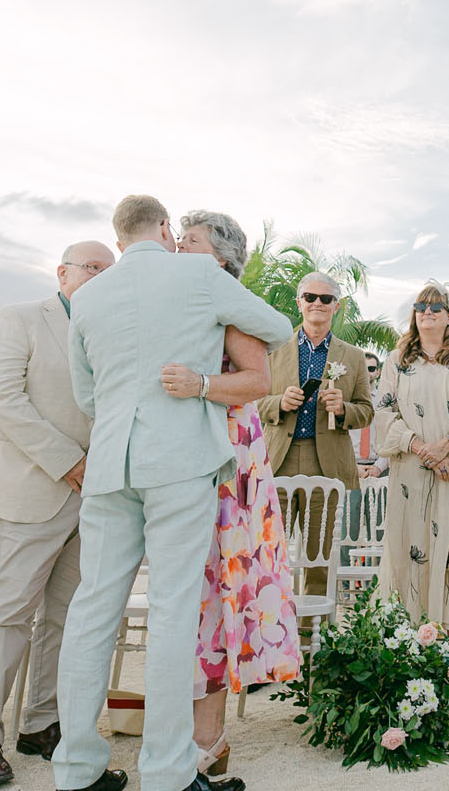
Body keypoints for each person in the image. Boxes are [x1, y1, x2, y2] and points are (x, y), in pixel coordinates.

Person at [51, 195, 290, 791]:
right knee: (173, 611)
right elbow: (280, 329)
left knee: (91, 610)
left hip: (109, 465)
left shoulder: (87, 297)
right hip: (180, 463)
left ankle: (77, 769)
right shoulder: (199, 273)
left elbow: (87, 396)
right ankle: (166, 772)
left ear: (119, 236)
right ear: (163, 228)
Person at [0, 241, 115, 788]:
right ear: (62, 271)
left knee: (68, 616)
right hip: (33, 487)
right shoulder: (23, 319)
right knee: (6, 611)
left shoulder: (113, 327)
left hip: (96, 497)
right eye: (89, 266)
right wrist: (68, 461)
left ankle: (42, 723)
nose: (98, 276)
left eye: (107, 269)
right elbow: (0, 398)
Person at [172, 210, 301, 778]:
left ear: (221, 257)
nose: (178, 246)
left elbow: (259, 381)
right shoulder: (176, 298)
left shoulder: (228, 299)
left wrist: (200, 386)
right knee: (187, 589)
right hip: (181, 454)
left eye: (191, 240)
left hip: (227, 459)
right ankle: (187, 732)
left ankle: (208, 737)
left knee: (217, 588)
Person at [255, 272, 374, 598]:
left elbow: (366, 410)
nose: (317, 304)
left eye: (325, 299)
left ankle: (310, 634)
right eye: (310, 297)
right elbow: (253, 401)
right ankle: (268, 629)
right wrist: (279, 402)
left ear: (336, 306)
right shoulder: (273, 350)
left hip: (327, 463)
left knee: (317, 554)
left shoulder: (353, 357)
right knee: (267, 548)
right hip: (279, 458)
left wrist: (344, 409)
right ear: (299, 303)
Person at [373, 281, 449, 631]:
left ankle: (446, 636)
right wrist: (423, 450)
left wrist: (447, 443)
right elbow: (384, 413)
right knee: (406, 549)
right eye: (420, 307)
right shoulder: (396, 362)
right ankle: (402, 637)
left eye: (435, 307)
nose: (427, 313)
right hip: (409, 472)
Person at [355, 351, 386, 479]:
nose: (367, 372)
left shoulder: (385, 401)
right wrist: (353, 466)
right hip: (353, 467)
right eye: (363, 368)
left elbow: (391, 435)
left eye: (371, 369)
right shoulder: (346, 401)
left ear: (378, 372)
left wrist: (379, 466)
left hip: (381, 467)